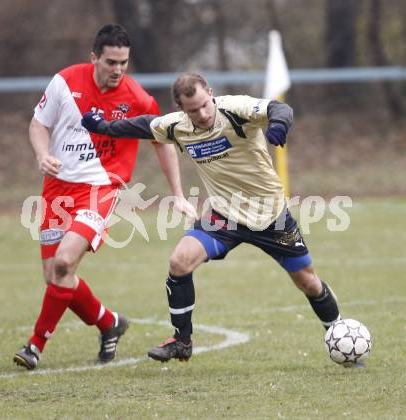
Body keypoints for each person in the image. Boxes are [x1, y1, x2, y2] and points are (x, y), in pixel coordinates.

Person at [81, 72, 342, 364]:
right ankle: (182, 341)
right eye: (193, 110)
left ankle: (339, 333)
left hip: (270, 216)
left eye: (205, 104)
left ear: (211, 93)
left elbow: (280, 109)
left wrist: (279, 124)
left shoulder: (236, 110)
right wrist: (103, 126)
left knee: (308, 282)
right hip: (224, 216)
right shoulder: (176, 126)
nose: (202, 114)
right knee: (179, 262)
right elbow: (142, 125)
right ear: (182, 109)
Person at [14, 25, 195, 370]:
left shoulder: (138, 98)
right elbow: (38, 124)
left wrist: (177, 194)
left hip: (101, 189)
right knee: (56, 277)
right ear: (94, 57)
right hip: (56, 190)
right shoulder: (65, 82)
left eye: (124, 63)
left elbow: (163, 141)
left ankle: (34, 346)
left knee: (65, 263)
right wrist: (41, 155)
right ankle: (109, 323)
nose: (118, 70)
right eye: (111, 62)